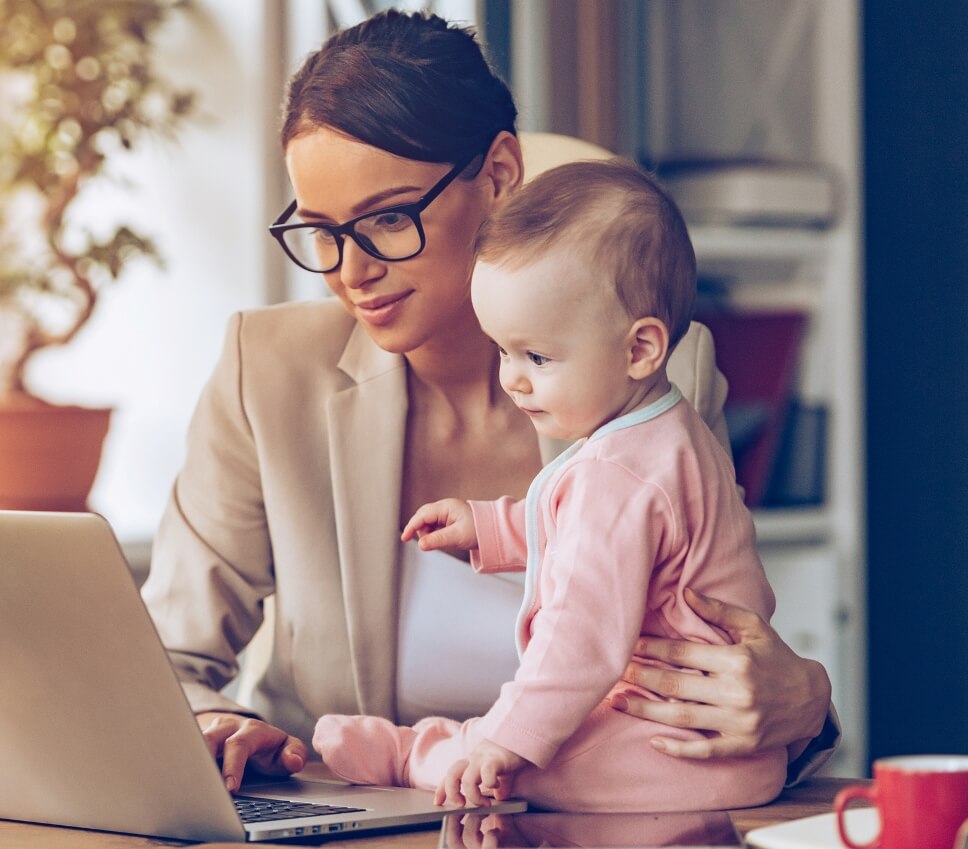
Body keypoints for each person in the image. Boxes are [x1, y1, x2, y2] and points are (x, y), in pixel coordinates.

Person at [139, 9, 836, 796]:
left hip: (589, 815)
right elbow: (162, 660)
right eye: (322, 230)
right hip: (352, 818)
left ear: (500, 172)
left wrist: (804, 701)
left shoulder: (652, 379)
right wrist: (216, 727)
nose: (349, 272)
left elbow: (718, 640)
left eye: (388, 219)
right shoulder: (265, 373)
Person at [311, 158, 787, 812]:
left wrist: (506, 741)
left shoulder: (614, 472)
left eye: (537, 356)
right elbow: (600, 537)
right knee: (542, 748)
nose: (513, 378)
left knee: (527, 766)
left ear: (640, 349)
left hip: (673, 747)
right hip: (723, 743)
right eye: (503, 350)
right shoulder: (670, 433)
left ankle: (416, 753)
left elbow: (580, 638)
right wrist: (490, 527)